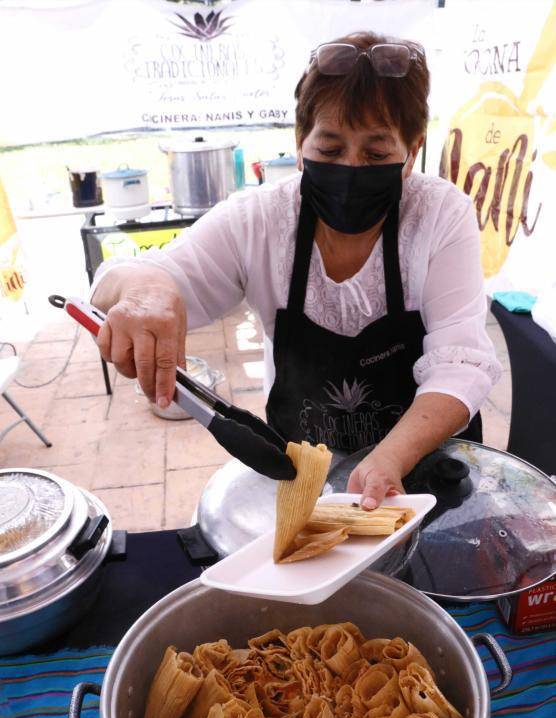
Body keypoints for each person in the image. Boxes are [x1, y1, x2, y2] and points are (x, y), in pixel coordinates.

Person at [90, 31, 501, 510]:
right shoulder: (259, 221)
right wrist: (146, 294)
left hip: (427, 468)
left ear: (412, 151)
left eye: (376, 154)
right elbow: (124, 278)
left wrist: (391, 456)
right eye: (328, 150)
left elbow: (461, 362)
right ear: (299, 141)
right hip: (308, 476)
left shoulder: (439, 215)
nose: (351, 168)